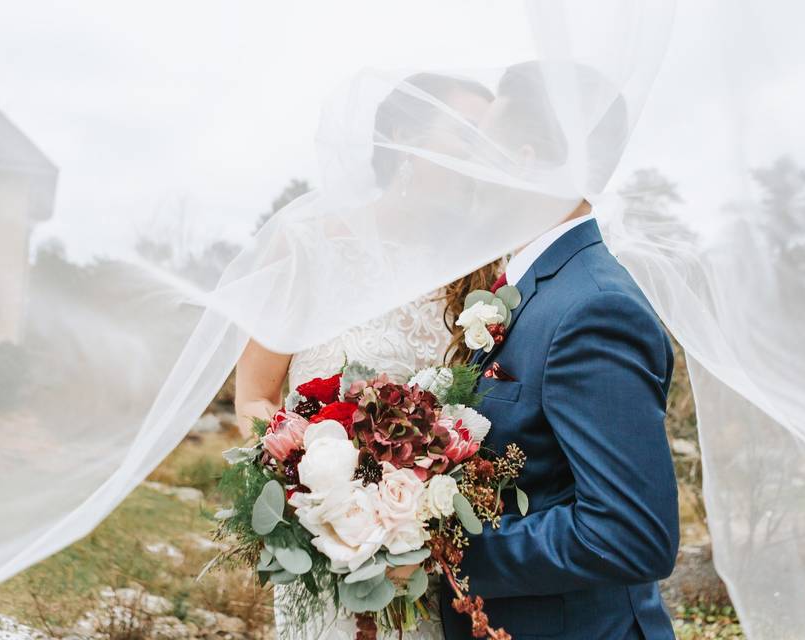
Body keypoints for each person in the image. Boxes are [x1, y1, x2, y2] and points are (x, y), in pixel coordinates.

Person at [234, 72, 499, 640]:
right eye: (465, 137)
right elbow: (255, 393)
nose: (481, 159)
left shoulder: (481, 275)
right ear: (405, 138)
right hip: (324, 549)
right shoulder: (309, 246)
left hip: (426, 564)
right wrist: (313, 491)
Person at [438, 62, 680, 640]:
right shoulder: (530, 287)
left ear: (521, 160)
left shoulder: (593, 307)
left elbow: (629, 533)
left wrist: (446, 555)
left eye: (481, 148)